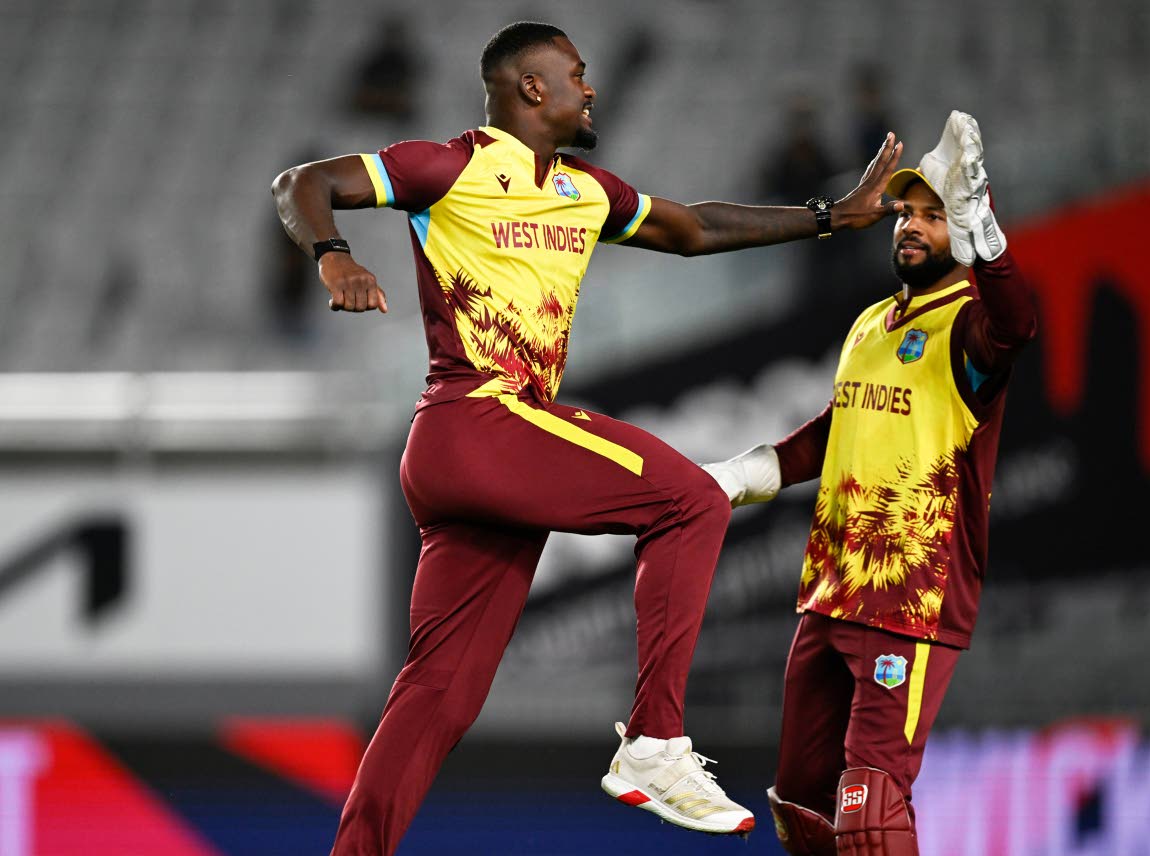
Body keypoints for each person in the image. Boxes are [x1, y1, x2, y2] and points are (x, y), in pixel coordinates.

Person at [271, 21, 903, 852]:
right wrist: (334, 256)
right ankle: (653, 744)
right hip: (480, 417)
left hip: (482, 457)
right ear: (532, 88)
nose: (589, 87)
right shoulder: (455, 165)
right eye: (576, 74)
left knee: (439, 697)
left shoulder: (585, 191)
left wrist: (830, 216)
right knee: (689, 500)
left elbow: (694, 229)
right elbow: (300, 182)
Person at [703, 112, 1037, 855]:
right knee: (802, 811)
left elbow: (1017, 327)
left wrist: (984, 225)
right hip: (829, 590)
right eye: (905, 214)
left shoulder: (971, 325)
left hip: (910, 598)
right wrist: (740, 475)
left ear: (964, 233)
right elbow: (836, 430)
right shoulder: (868, 325)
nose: (909, 227)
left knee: (872, 812)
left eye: (932, 216)